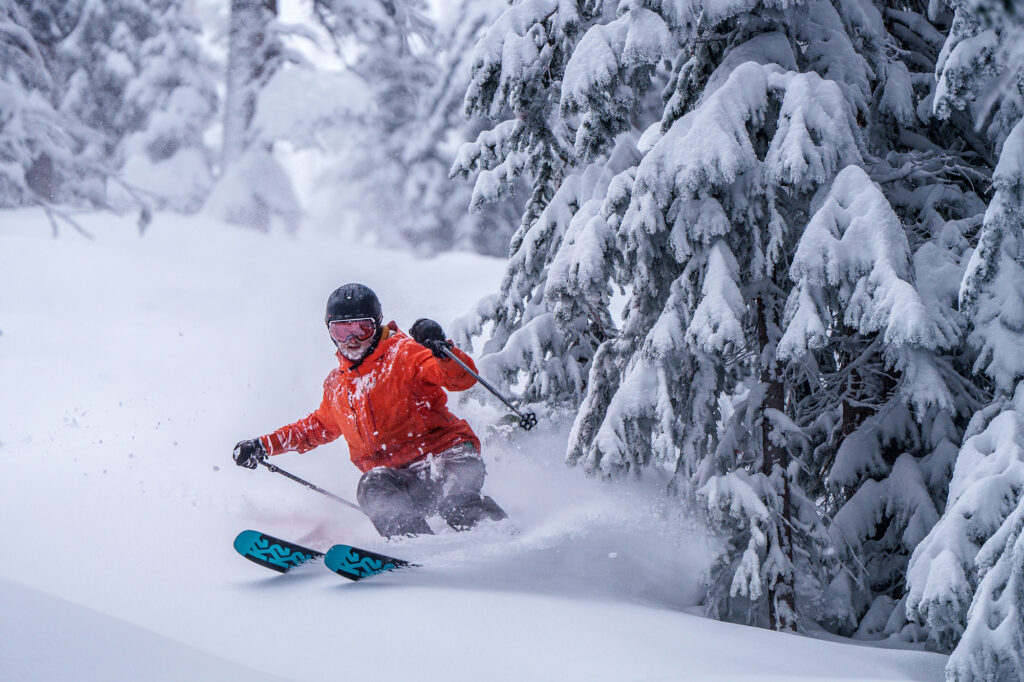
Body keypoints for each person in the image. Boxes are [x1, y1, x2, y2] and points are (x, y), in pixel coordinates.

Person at [232, 283, 506, 538]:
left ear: (376, 327)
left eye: (361, 329)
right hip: (403, 480)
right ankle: (414, 546)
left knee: (456, 503)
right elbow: (315, 428)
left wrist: (442, 351)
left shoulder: (404, 354)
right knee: (371, 486)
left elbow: (461, 379)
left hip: (447, 455)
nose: (351, 339)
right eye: (341, 331)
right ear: (329, 332)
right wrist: (264, 446)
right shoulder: (338, 385)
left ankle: (498, 535)